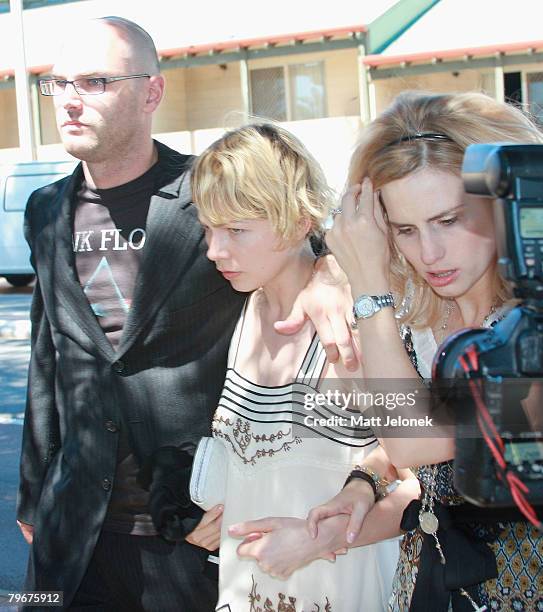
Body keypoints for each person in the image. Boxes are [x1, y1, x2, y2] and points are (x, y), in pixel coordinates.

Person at [16, 17, 356, 611]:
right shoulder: (44, 210)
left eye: (95, 82)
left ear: (151, 92)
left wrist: (328, 271)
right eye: (59, 83)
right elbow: (50, 355)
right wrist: (32, 495)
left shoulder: (212, 190)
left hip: (192, 528)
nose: (69, 100)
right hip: (74, 528)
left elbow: (293, 228)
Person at [235, 92, 543, 611]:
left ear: (506, 204)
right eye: (405, 229)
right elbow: (416, 458)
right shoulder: (418, 312)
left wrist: (367, 285)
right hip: (428, 584)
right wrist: (364, 483)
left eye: (450, 220)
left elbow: (417, 441)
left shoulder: (530, 326)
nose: (430, 253)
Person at [188, 122, 403, 611]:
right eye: (208, 228)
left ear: (297, 219)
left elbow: (421, 479)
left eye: (236, 230)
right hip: (246, 588)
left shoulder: (349, 323)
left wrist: (321, 538)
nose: (213, 250)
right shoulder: (235, 312)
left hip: (344, 588)